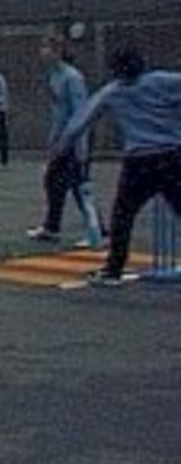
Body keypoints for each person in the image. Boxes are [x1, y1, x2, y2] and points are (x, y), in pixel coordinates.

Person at [55, 47, 181, 286]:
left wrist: (61, 149)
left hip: (139, 161)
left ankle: (114, 269)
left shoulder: (112, 92)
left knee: (123, 215)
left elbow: (80, 122)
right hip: (173, 156)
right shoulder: (162, 81)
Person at [27, 36, 104, 247]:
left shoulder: (73, 77)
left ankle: (97, 231)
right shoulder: (53, 76)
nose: (42, 52)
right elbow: (58, 112)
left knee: (80, 185)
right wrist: (54, 140)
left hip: (77, 137)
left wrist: (79, 146)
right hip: (62, 139)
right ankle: (52, 227)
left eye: (46, 48)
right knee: (53, 181)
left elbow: (80, 113)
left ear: (57, 51)